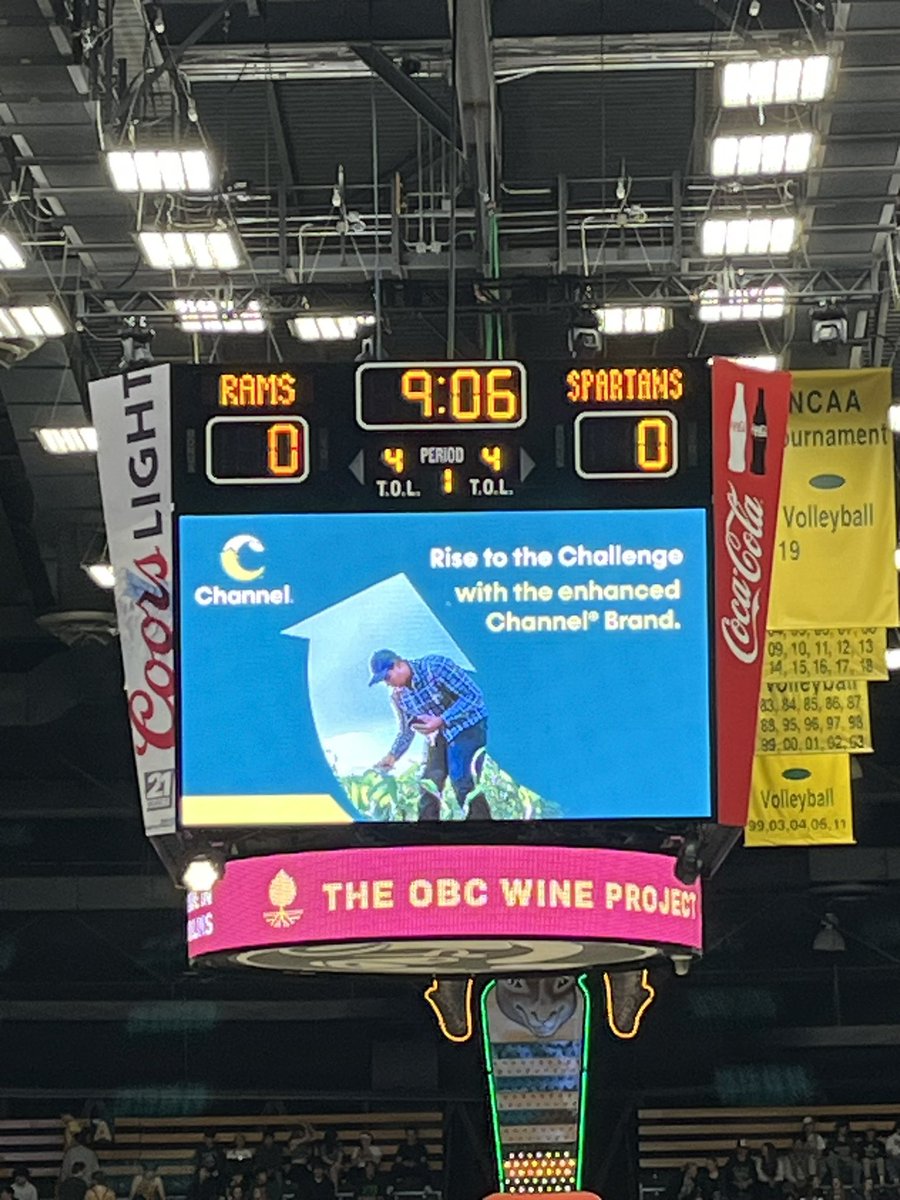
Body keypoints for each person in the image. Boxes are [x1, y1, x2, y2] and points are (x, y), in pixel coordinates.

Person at [370, 650, 491, 820]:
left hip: (468, 725)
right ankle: (427, 833)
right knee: (429, 783)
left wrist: (442, 719)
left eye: (387, 678)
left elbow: (473, 696)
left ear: (398, 665)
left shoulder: (435, 667)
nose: (388, 684)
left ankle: (482, 830)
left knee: (461, 777)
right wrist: (392, 756)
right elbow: (406, 730)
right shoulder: (399, 697)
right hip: (439, 734)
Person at [828, 1122, 861, 1189]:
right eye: (842, 1128)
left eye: (845, 1128)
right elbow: (829, 1151)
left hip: (848, 1159)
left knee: (857, 1165)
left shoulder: (850, 1140)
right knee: (832, 1158)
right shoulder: (833, 1139)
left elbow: (855, 1151)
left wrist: (853, 1155)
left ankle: (856, 1186)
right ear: (838, 1129)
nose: (844, 1129)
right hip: (837, 1159)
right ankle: (836, 1181)